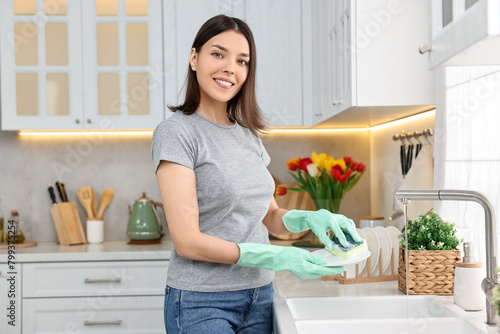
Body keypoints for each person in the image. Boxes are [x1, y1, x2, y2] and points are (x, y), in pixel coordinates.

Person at [152, 14, 361, 333]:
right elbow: (187, 242)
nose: (229, 68)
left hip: (261, 297)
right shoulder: (178, 133)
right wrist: (274, 257)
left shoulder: (248, 135)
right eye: (218, 54)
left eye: (242, 61)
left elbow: (271, 215)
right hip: (202, 303)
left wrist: (308, 218)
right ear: (194, 58)